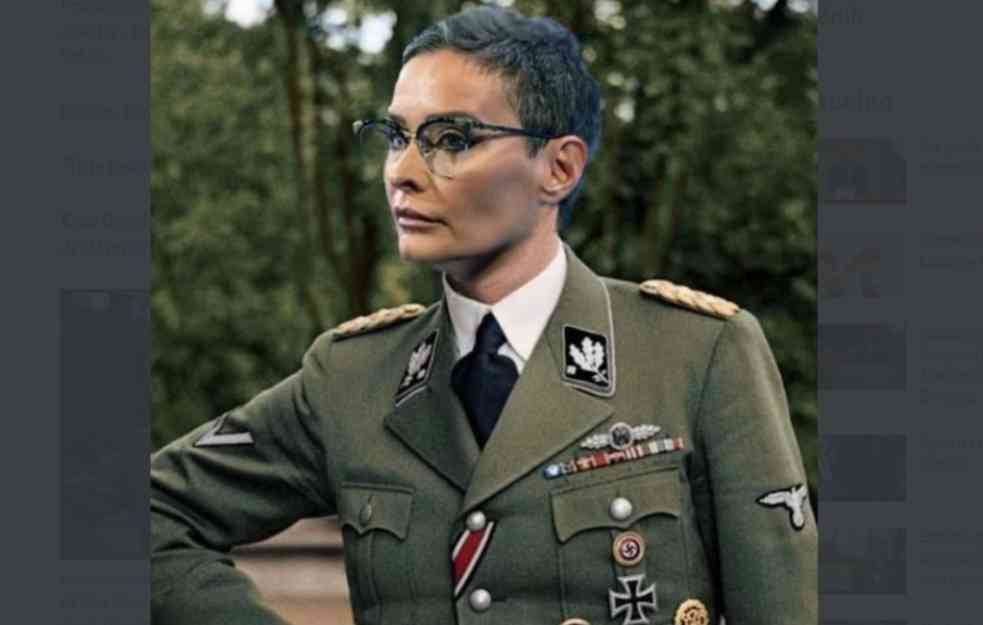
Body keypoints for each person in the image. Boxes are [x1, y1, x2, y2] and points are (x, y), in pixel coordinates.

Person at [150, 6, 817, 625]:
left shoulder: (695, 356)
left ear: (558, 168)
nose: (402, 172)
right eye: (396, 137)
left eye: (451, 139)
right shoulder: (353, 379)